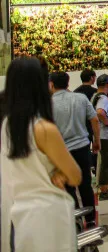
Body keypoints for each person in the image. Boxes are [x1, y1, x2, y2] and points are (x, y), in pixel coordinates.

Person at [1, 57, 82, 252]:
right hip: (49, 214)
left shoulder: (6, 127)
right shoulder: (43, 129)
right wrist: (61, 173)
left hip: (19, 214)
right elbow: (76, 175)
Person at [49, 71, 100, 227]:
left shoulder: (48, 103)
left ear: (51, 84)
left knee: (68, 186)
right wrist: (96, 141)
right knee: (85, 184)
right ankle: (90, 219)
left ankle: (76, 218)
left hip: (62, 151)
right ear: (68, 83)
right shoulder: (80, 98)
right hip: (82, 147)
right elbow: (95, 119)